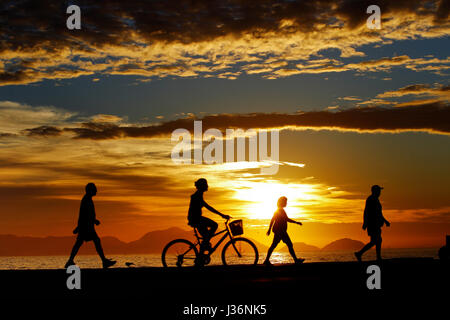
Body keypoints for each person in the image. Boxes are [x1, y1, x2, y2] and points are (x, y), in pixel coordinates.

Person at [65, 183, 116, 269]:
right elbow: (85, 215)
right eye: (94, 189)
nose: (96, 191)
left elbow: (84, 215)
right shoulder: (86, 200)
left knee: (80, 243)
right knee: (95, 241)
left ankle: (70, 261)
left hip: (86, 226)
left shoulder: (87, 199)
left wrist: (79, 227)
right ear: (90, 190)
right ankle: (104, 261)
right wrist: (92, 221)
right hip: (87, 227)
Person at [188, 178, 229, 253]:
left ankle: (201, 256)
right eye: (205, 185)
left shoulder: (198, 194)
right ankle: (204, 246)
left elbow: (207, 206)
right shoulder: (197, 196)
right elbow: (208, 207)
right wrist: (222, 215)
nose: (207, 186)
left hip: (196, 218)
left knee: (206, 237)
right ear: (202, 186)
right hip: (196, 219)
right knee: (214, 225)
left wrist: (221, 215)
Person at [263, 196, 304, 265]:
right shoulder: (280, 211)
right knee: (288, 244)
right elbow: (286, 219)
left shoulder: (279, 210)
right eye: (285, 202)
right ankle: (296, 260)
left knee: (275, 245)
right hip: (280, 231)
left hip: (279, 231)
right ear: (282, 202)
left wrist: (269, 229)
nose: (286, 203)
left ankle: (266, 260)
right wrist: (296, 222)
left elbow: (273, 220)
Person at [354, 185, 390, 262]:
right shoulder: (371, 199)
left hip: (376, 224)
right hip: (372, 224)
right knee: (376, 240)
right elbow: (366, 211)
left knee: (377, 240)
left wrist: (385, 221)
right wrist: (365, 223)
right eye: (379, 191)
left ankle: (376, 256)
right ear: (374, 191)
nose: (380, 192)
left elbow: (379, 213)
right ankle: (360, 253)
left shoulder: (376, 199)